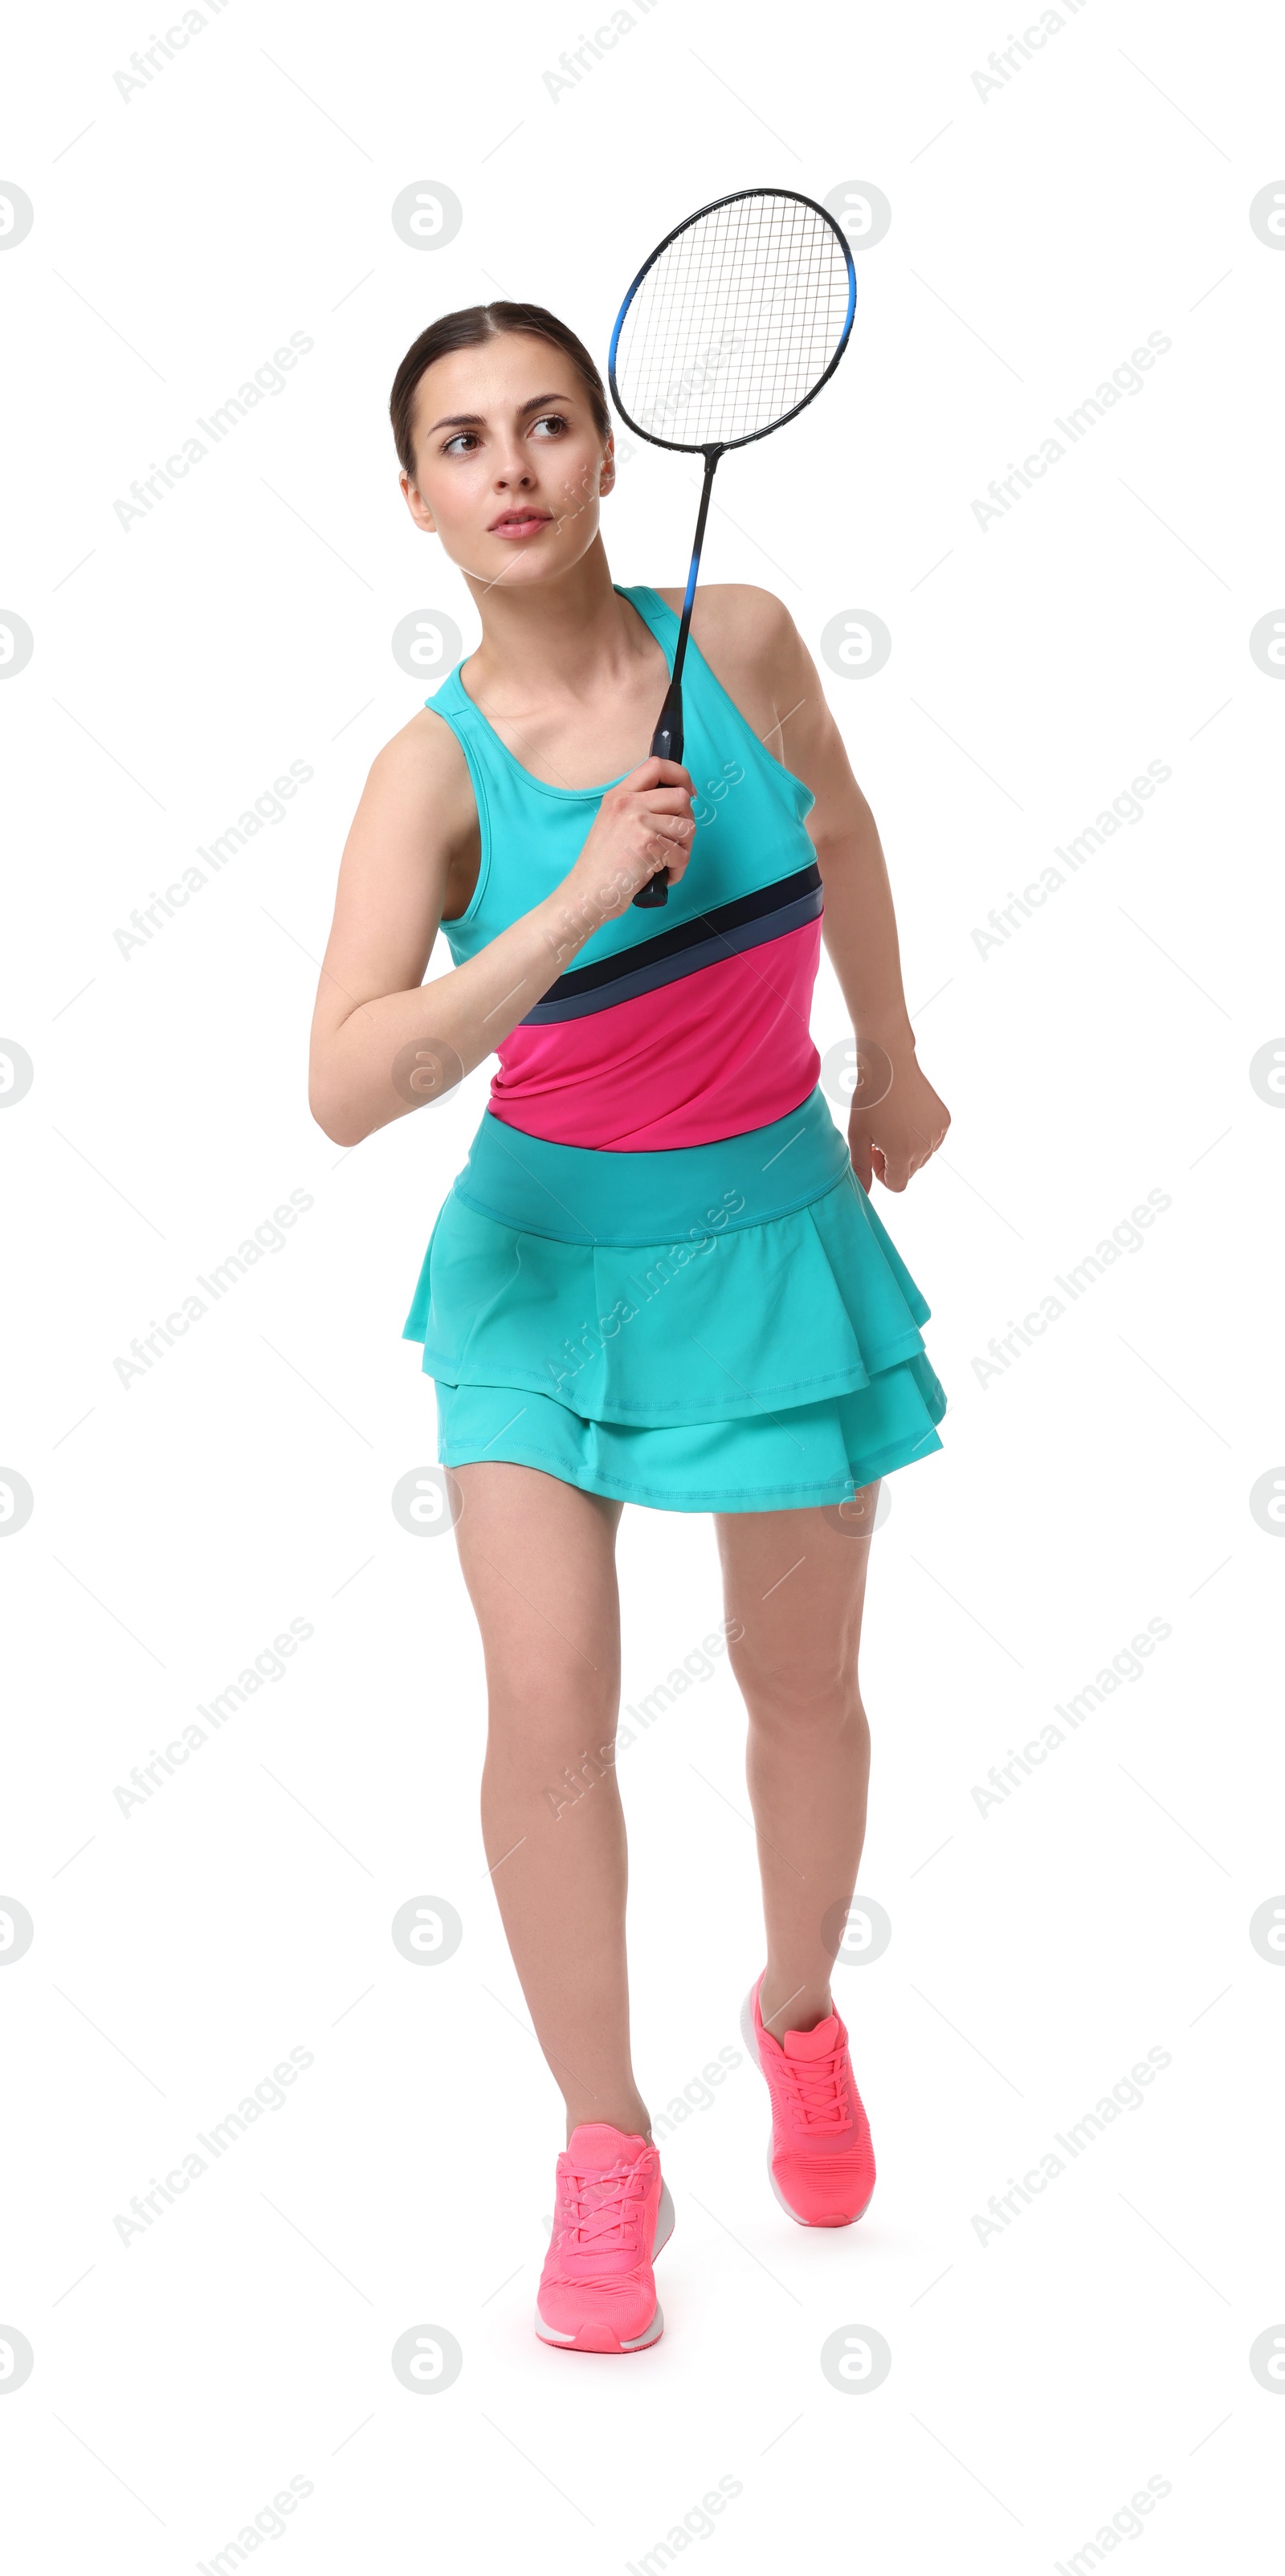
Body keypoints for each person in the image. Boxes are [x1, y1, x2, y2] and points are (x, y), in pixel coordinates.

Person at [308, 300, 950, 2355]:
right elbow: (344, 1081)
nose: (509, 466)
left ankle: (794, 2014)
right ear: (412, 500)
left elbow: (838, 827)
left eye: (547, 424)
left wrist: (895, 1060)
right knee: (548, 1706)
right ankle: (604, 2148)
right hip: (533, 1272)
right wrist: (571, 900)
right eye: (460, 441)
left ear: (602, 452)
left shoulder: (741, 640)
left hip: (769, 1234)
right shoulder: (430, 779)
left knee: (800, 1687)